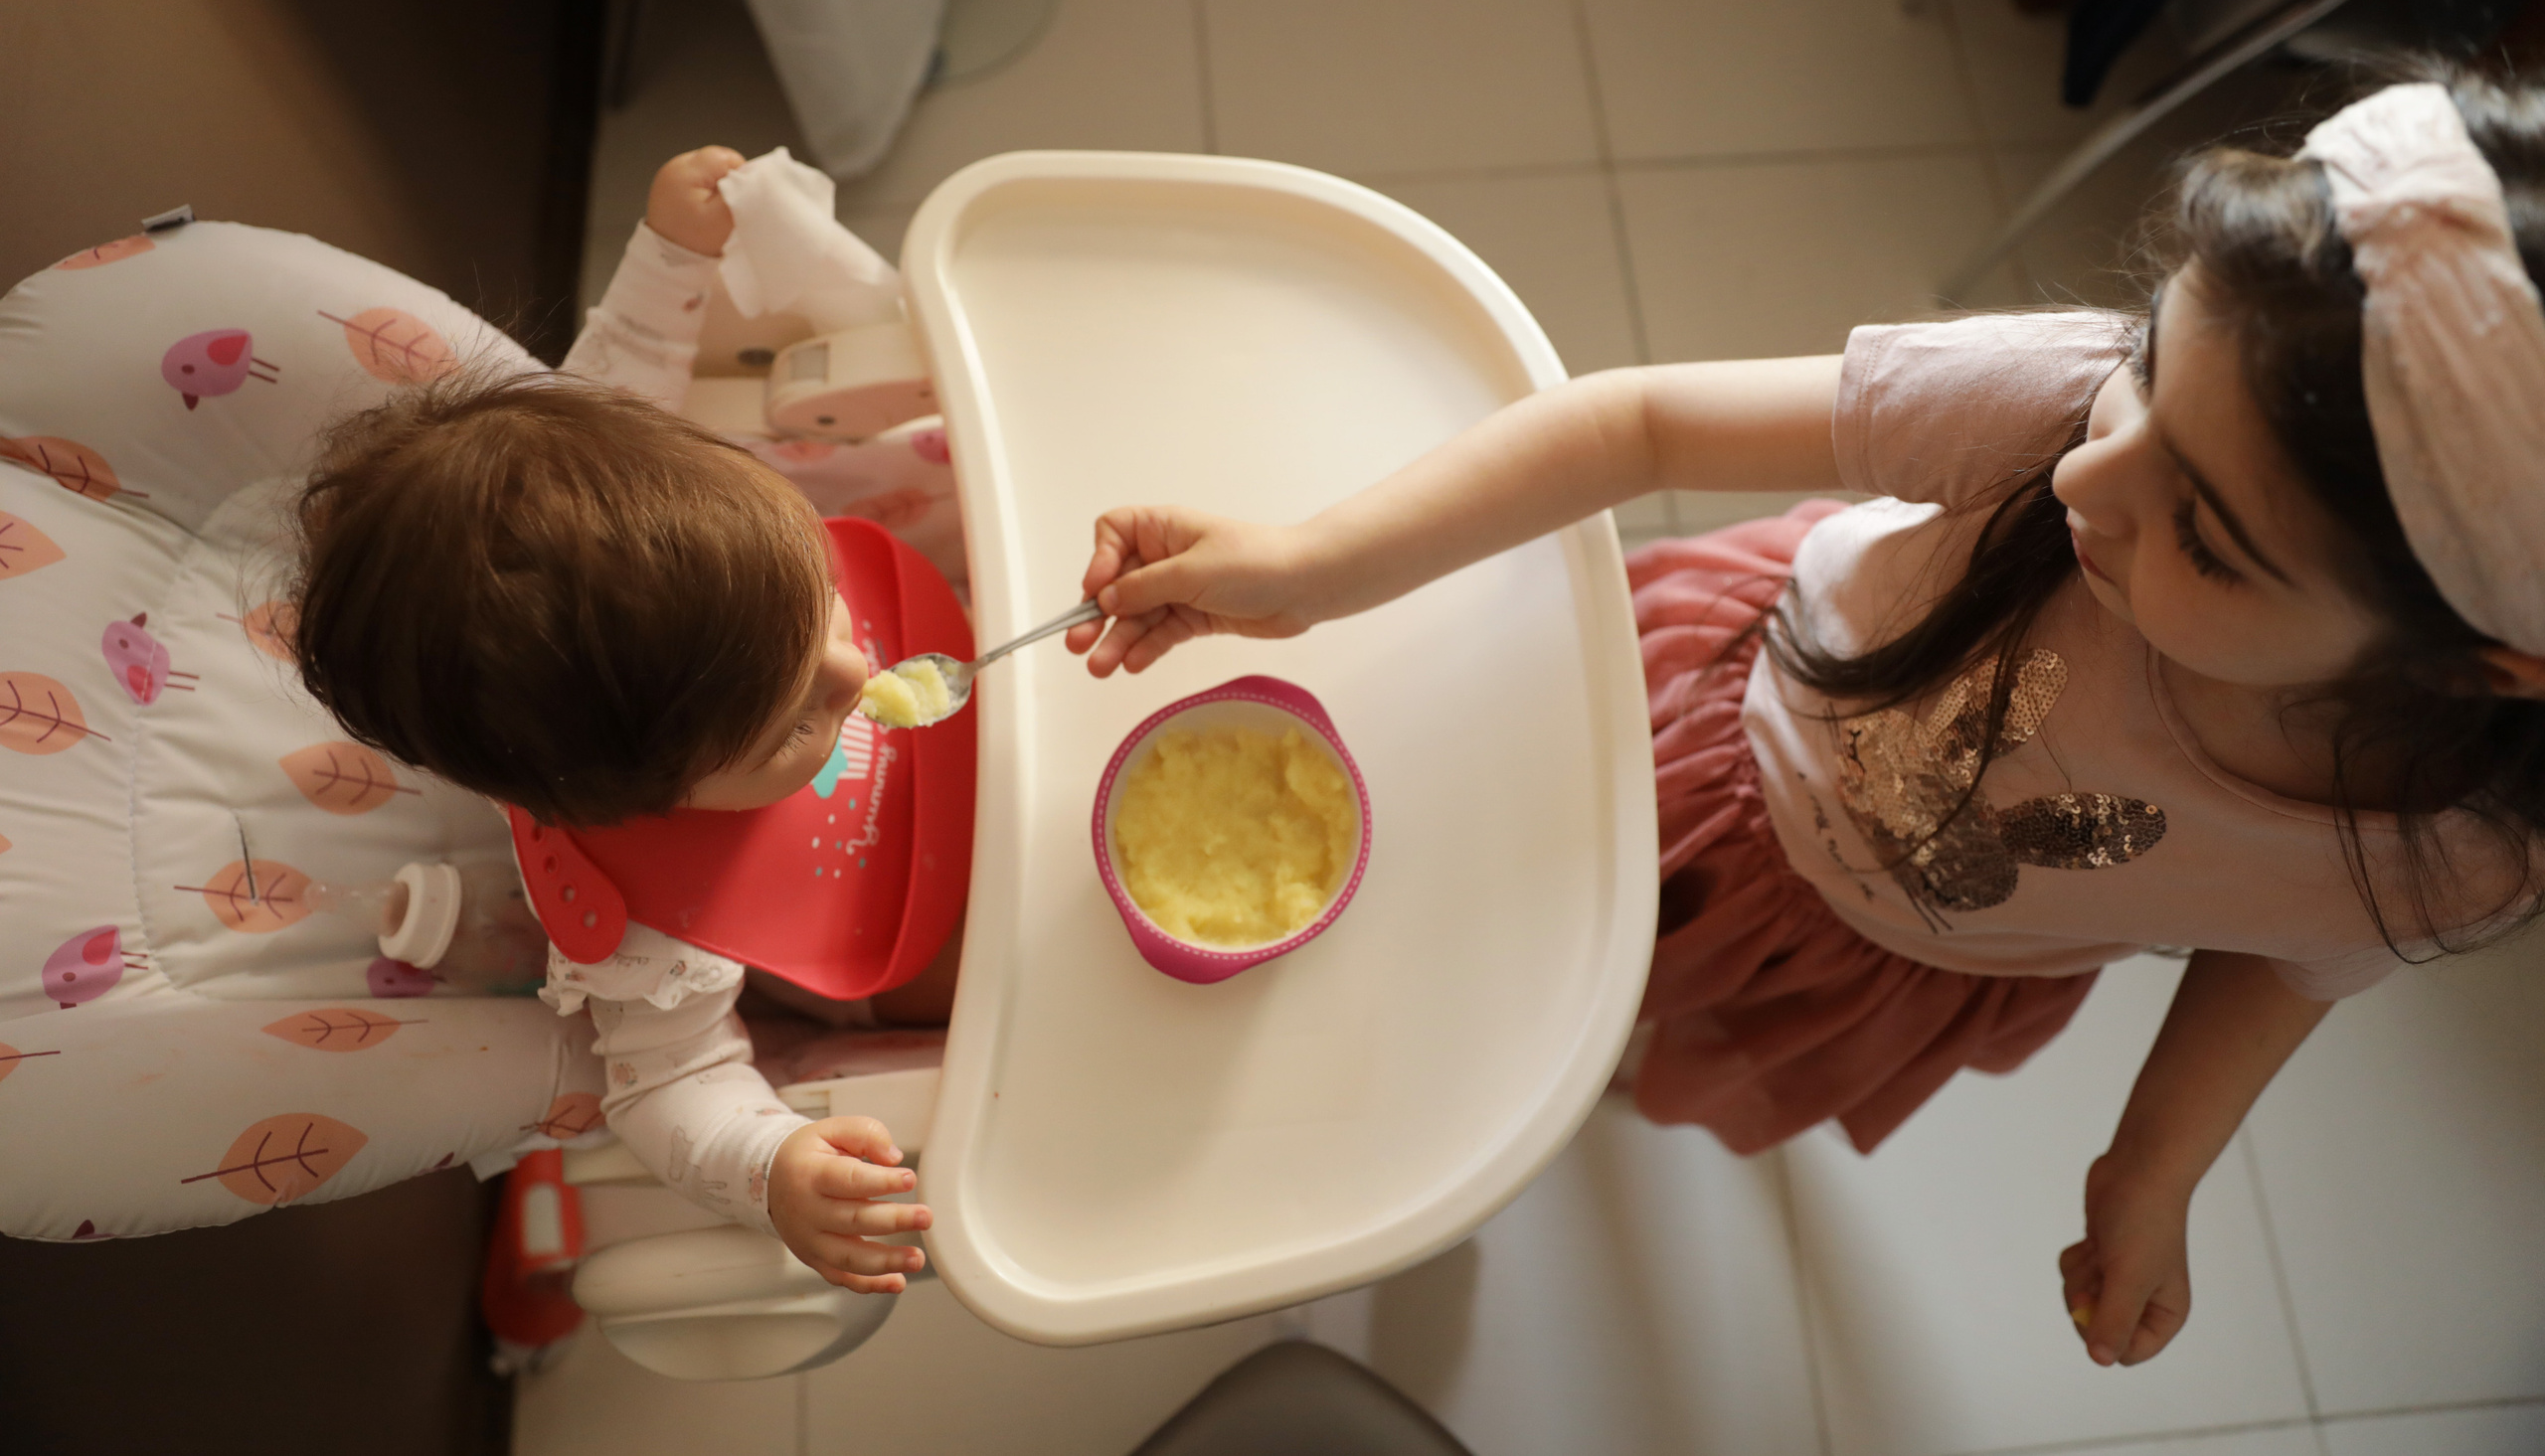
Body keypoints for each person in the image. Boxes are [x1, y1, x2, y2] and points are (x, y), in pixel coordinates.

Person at [1064, 71, 2545, 1369]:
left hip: (1870, 963)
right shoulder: (2061, 406)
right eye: (2150, 362)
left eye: (2207, 537)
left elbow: (2292, 951)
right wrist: (1316, 566)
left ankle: (1585, 1071)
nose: (2092, 477)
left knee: (1621, 1041)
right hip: (1708, 719)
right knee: (1466, 926)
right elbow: (1638, 425)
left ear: (2470, 664)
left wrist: (2152, 1168)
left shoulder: (2453, 854)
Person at [290, 147, 937, 1295]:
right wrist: (771, 1164)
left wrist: (672, 254)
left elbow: (608, 394)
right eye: (795, 722)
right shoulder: (648, 924)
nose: (854, 669)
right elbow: (665, 1087)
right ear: (647, 799)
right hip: (908, 922)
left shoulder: (675, 534)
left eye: (821, 607)